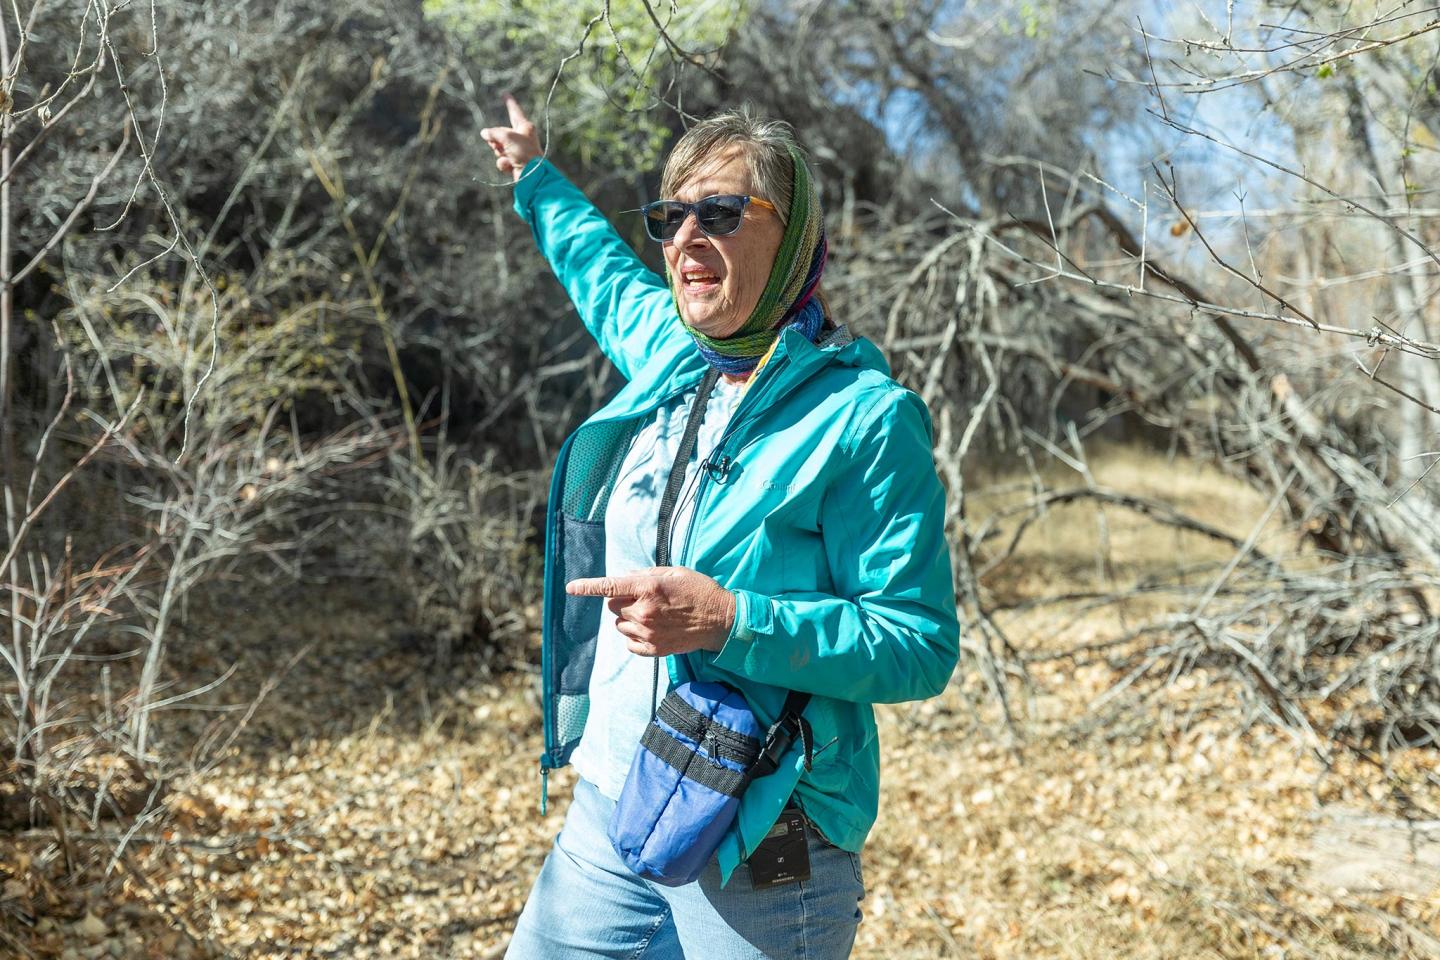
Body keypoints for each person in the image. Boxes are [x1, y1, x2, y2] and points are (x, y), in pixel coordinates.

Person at [482, 94, 960, 959]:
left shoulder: (864, 419)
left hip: (765, 828)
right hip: (617, 797)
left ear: (797, 239)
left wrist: (729, 619)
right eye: (671, 218)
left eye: (722, 213)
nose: (686, 240)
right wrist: (535, 176)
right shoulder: (674, 356)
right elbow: (601, 271)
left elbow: (917, 643)